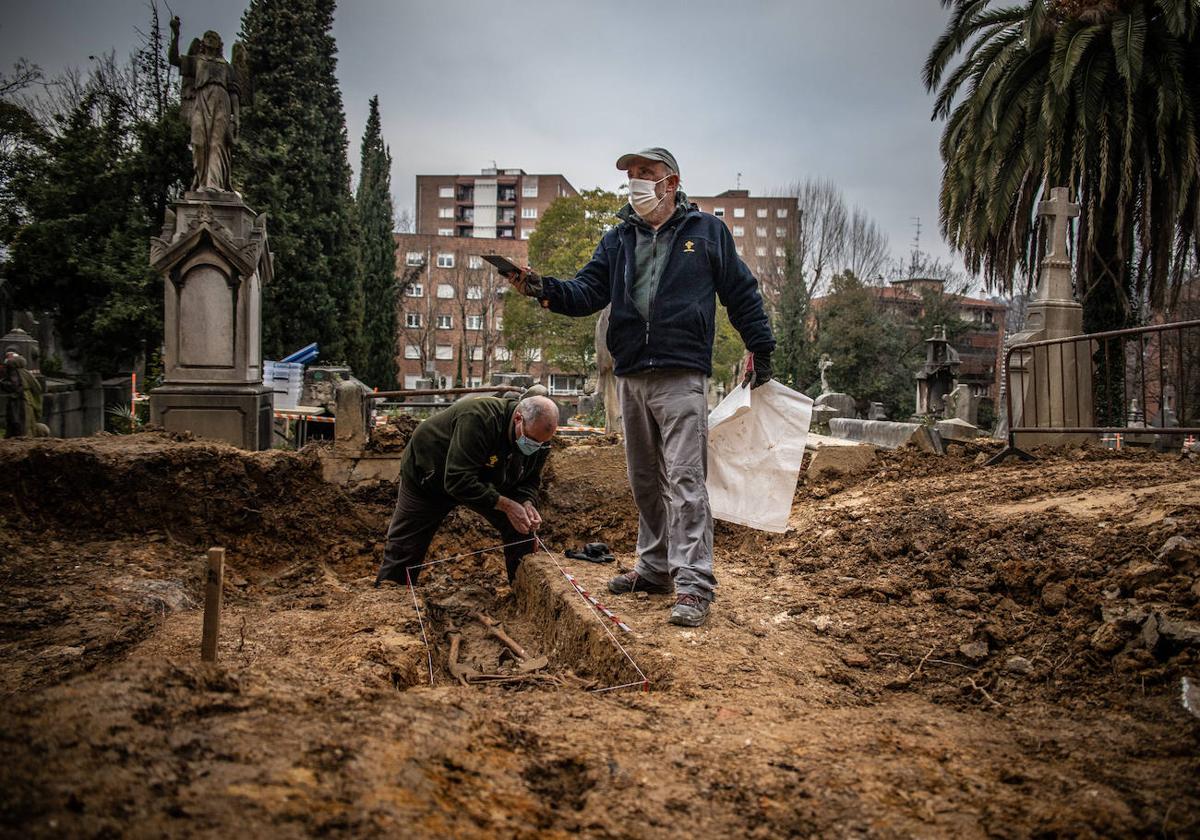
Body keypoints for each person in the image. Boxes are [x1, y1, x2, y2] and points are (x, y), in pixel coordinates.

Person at [506, 147, 775, 627]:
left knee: (687, 481)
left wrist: (762, 346)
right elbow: (587, 291)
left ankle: (694, 586)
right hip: (632, 375)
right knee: (645, 480)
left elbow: (741, 292)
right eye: (631, 175)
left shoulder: (707, 233)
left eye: (645, 174)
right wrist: (540, 287)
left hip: (681, 374)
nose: (635, 182)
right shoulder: (619, 239)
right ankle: (654, 570)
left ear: (670, 182)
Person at [376, 395, 559, 587]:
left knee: (521, 527)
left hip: (484, 476)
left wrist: (526, 502)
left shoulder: (540, 440)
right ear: (518, 419)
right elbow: (457, 480)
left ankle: (523, 594)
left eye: (540, 443)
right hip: (430, 475)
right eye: (530, 440)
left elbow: (530, 480)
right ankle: (390, 594)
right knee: (406, 546)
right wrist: (506, 505)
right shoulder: (479, 417)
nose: (534, 447)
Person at [2, 350, 43, 438]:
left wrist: (2, 383)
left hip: (20, 400)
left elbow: (14, 386)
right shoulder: (25, 372)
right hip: (27, 400)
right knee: (25, 422)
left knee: (19, 423)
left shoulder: (14, 371)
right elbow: (37, 387)